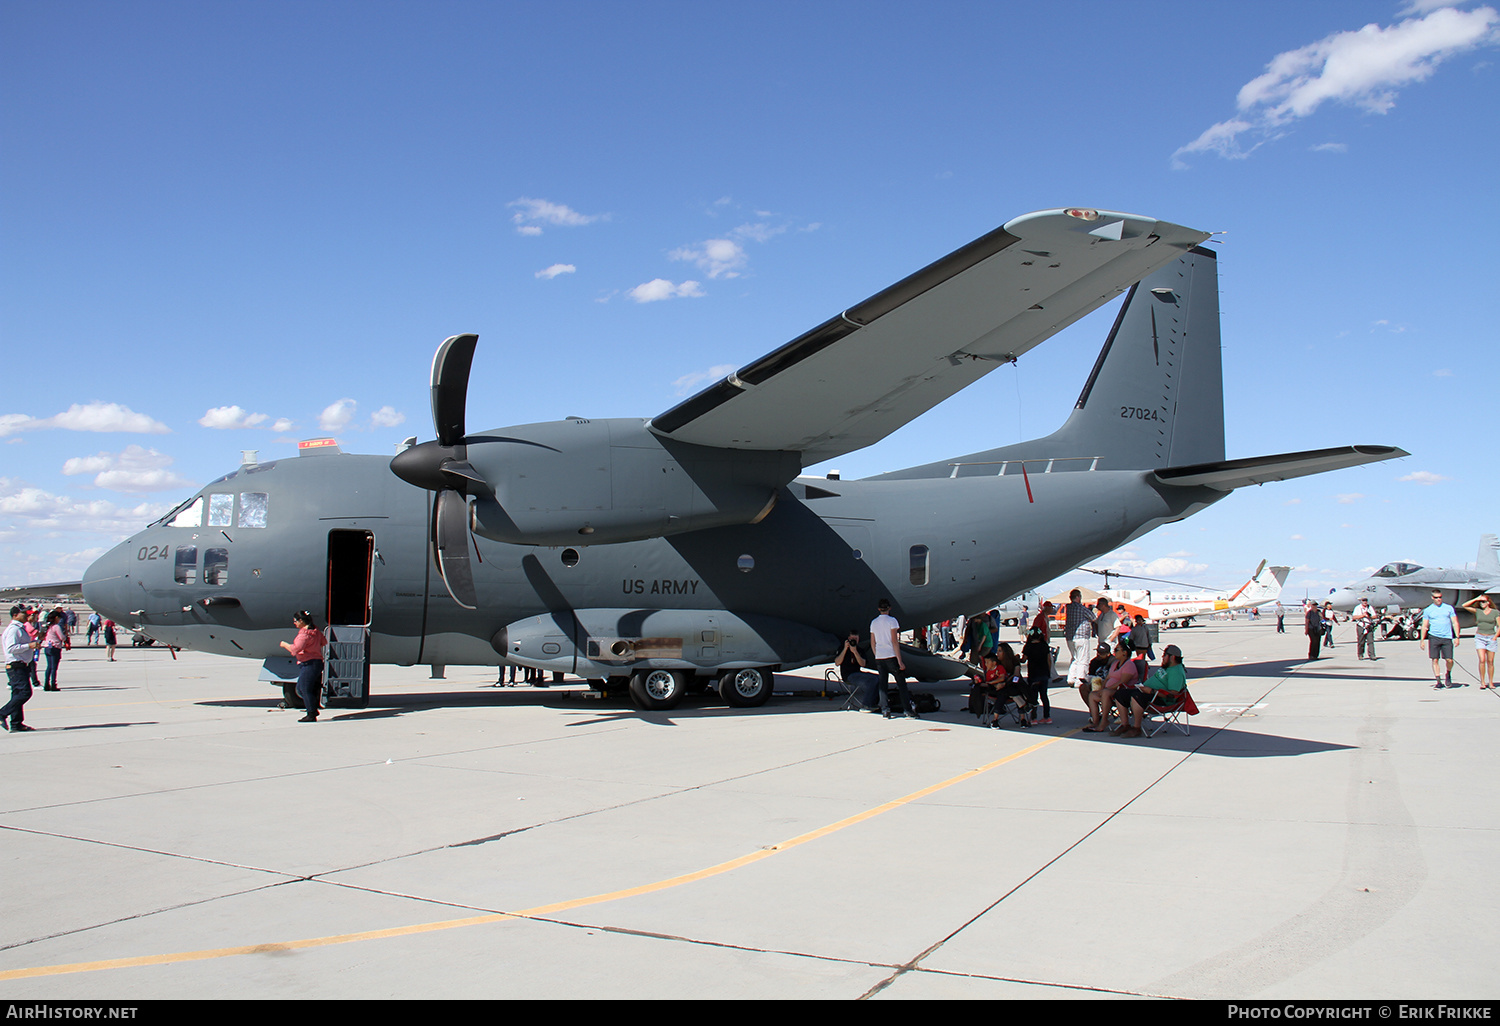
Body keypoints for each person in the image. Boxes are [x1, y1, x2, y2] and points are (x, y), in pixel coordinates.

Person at [1112, 644, 1188, 739]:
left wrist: (1151, 691)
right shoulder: (1167, 666)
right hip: (1149, 693)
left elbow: (1172, 695)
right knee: (1120, 693)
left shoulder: (1176, 671)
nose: (1162, 657)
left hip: (1161, 700)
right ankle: (1125, 725)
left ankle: (1137, 728)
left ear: (1172, 657)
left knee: (1137, 696)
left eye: (1164, 655)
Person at [870, 599, 916, 719]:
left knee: (883, 684)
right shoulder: (892, 621)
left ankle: (885, 709)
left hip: (880, 656)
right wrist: (899, 660)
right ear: (889, 608)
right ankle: (907, 709)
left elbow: (872, 642)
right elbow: (894, 641)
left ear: (879, 609)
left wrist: (876, 654)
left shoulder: (874, 623)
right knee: (901, 683)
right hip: (891, 655)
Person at [279, 610, 327, 722]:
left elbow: (295, 649)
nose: (294, 623)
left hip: (309, 664)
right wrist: (312, 648)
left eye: (295, 621)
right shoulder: (316, 632)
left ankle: (311, 714)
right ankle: (313, 709)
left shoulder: (304, 635)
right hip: (316, 663)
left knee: (304, 689)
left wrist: (284, 644)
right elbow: (323, 642)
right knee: (302, 688)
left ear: (301, 621)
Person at [2, 606, 40, 732]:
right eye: (24, 614)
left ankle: (16, 723)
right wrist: (29, 645)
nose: (27, 616)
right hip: (16, 665)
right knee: (25, 693)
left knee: (17, 694)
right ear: (15, 615)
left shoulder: (20, 628)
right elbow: (11, 648)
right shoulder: (14, 629)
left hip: (21, 665)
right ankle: (2, 713)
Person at [1419, 590, 1460, 688]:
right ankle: (1438, 680)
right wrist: (1422, 640)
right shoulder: (1428, 610)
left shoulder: (1448, 608)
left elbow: (1455, 622)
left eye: (1440, 597)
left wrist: (1457, 636)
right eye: (1436, 597)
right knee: (1435, 659)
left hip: (1447, 637)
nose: (1439, 599)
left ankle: (1448, 674)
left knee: (1449, 659)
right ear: (1432, 598)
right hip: (1434, 636)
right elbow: (1425, 625)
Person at [835, 631, 881, 713]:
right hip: (848, 675)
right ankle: (866, 705)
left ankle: (873, 703)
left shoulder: (859, 650)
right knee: (872, 680)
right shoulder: (842, 648)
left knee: (878, 678)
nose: (854, 641)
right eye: (852, 639)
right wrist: (846, 649)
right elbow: (837, 662)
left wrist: (855, 652)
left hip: (857, 673)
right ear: (848, 639)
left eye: (856, 639)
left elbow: (863, 664)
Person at [1461, 595, 1499, 690]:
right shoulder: (1478, 611)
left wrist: (1495, 637)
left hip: (1491, 637)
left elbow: (1499, 626)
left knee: (1490, 661)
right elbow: (1464, 605)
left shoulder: (1495, 612)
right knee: (1482, 660)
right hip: (1480, 637)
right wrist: (1476, 599)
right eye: (1481, 602)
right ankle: (1482, 682)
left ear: (1488, 602)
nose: (1482, 603)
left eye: (1484, 601)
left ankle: (1490, 682)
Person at [1020, 627, 1052, 724]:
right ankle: (1047, 717)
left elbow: (1024, 659)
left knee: (1033, 697)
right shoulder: (1044, 645)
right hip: (1044, 674)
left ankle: (1034, 718)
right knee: (1044, 696)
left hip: (1033, 674)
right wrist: (1048, 672)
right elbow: (1049, 660)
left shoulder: (1028, 646)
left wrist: (1018, 659)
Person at [42, 610, 69, 691]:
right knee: (54, 667)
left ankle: (46, 684)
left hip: (47, 647)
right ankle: (53, 684)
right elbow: (62, 637)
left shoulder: (47, 626)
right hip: (55, 647)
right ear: (56, 618)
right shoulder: (56, 627)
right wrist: (66, 638)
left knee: (49, 667)